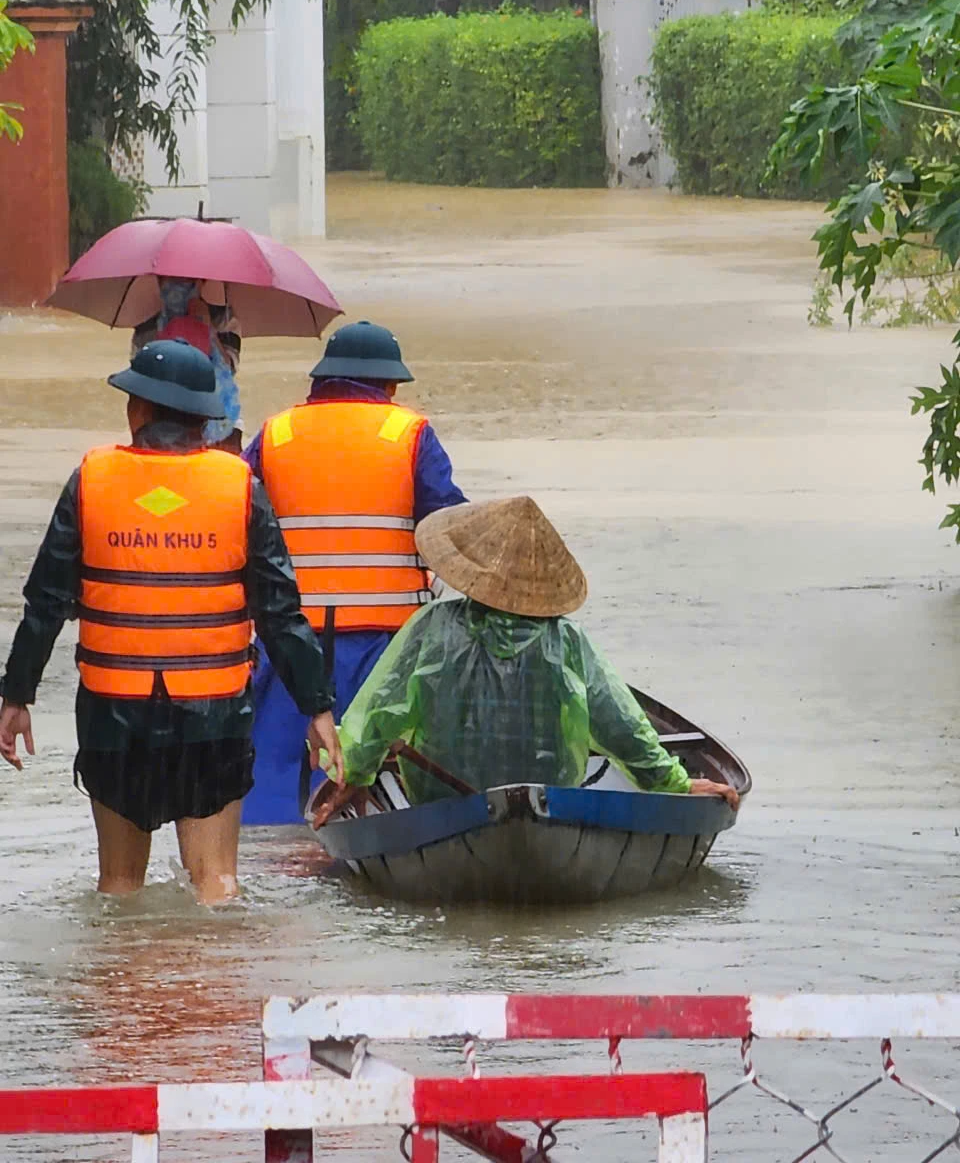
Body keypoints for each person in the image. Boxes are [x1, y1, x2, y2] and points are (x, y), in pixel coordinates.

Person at [0, 340, 342, 903]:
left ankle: (121, 987)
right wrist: (317, 707)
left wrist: (17, 696)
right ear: (204, 419)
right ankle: (209, 988)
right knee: (218, 882)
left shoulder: (91, 481)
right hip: (213, 714)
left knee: (118, 887)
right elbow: (280, 613)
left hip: (115, 713)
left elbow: (45, 605)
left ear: (138, 409)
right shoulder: (239, 487)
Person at [313, 496, 739, 821]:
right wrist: (674, 785)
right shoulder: (567, 640)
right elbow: (622, 727)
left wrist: (355, 775)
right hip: (551, 803)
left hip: (444, 800)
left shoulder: (434, 627)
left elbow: (378, 715)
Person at [241, 319, 467, 825]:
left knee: (274, 778)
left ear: (321, 382)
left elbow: (236, 516)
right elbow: (450, 526)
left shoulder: (276, 433)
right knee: (374, 774)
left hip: (286, 641)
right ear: (388, 385)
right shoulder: (408, 433)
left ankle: (269, 867)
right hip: (384, 645)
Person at [132, 276, 243, 450]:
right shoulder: (149, 321)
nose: (179, 284)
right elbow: (139, 376)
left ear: (201, 281)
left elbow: (228, 369)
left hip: (214, 415)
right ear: (160, 280)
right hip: (160, 416)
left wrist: (207, 330)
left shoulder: (223, 318)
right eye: (171, 278)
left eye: (188, 280)